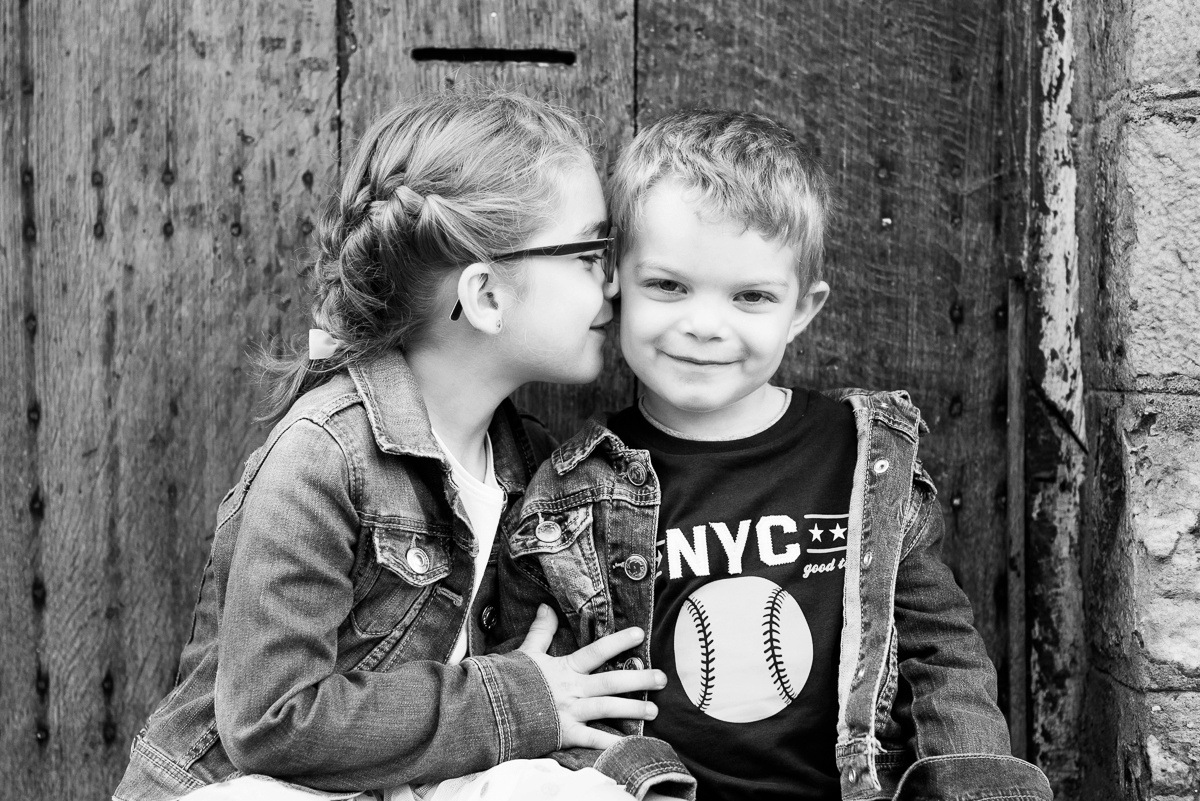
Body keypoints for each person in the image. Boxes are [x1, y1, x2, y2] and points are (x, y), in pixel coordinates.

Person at [113, 89, 695, 801]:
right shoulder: (325, 456)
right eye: (587, 254)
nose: (614, 283)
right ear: (486, 296)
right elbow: (269, 724)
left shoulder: (534, 465)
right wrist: (518, 700)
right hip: (249, 782)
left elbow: (544, 698)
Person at [495, 109, 1054, 801]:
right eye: (668, 285)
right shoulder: (572, 492)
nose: (704, 324)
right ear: (615, 278)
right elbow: (543, 699)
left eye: (750, 296)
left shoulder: (861, 460)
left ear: (802, 308)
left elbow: (941, 654)